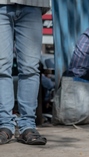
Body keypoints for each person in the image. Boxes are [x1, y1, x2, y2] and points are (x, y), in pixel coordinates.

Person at [0, 1, 50, 145]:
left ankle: (28, 126)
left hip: (32, 3)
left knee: (30, 68)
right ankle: (4, 125)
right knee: (1, 67)